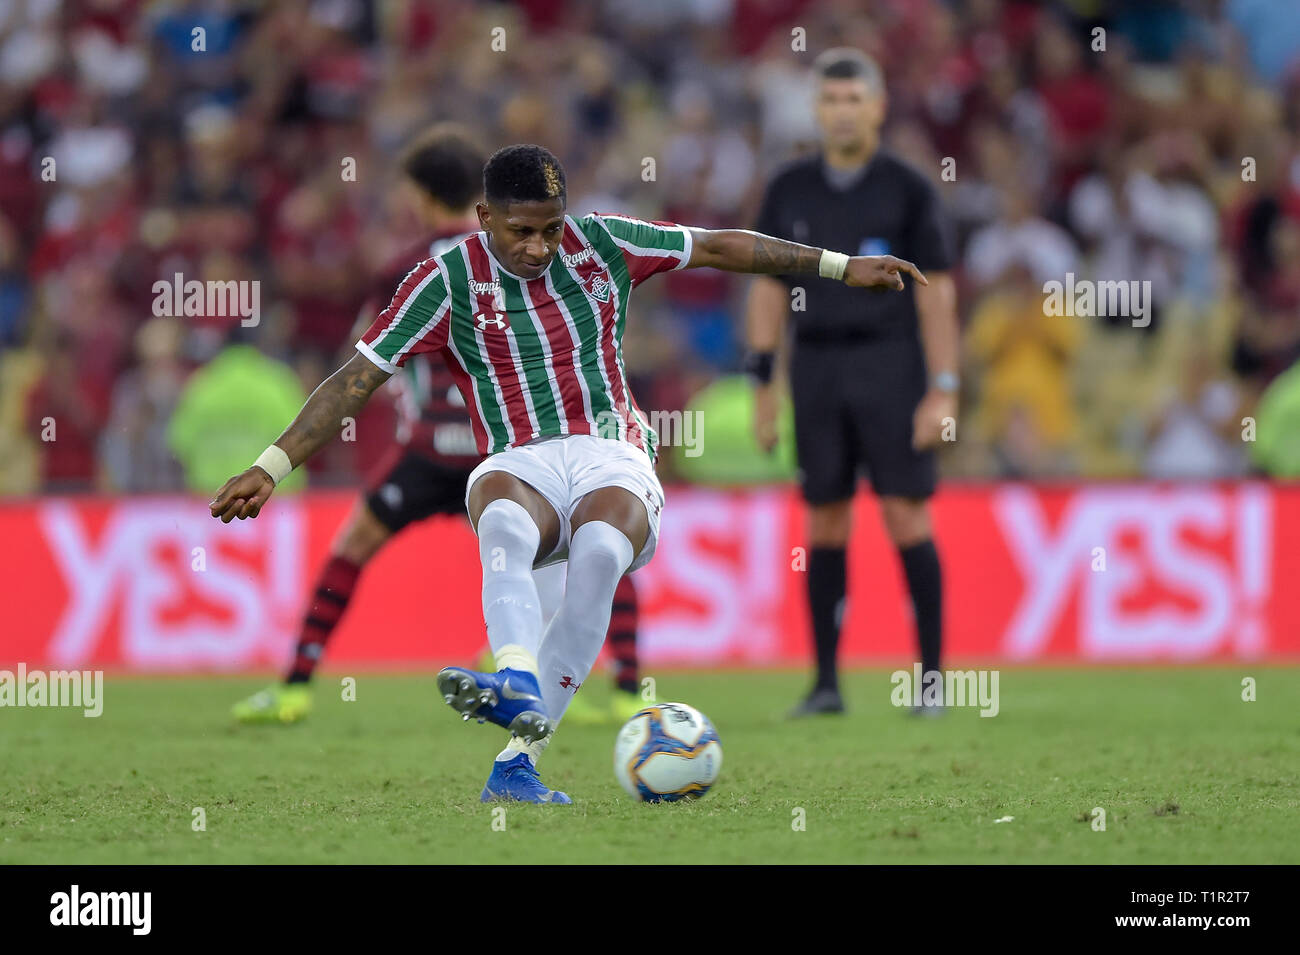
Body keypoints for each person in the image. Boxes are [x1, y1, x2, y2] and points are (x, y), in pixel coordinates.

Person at [209, 143, 925, 803]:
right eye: (521, 230)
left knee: (601, 552)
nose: (539, 245)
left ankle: (518, 760)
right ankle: (516, 673)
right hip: (517, 455)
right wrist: (271, 465)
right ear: (484, 217)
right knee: (501, 512)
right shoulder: (442, 279)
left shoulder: (602, 242)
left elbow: (715, 246)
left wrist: (837, 265)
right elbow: (356, 378)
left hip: (611, 447)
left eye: (550, 228)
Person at [231, 125, 646, 726]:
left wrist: (277, 460)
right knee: (598, 539)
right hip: (511, 445)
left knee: (353, 547)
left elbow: (367, 363)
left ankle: (295, 684)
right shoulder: (539, 260)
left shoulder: (412, 267)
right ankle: (627, 687)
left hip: (431, 447)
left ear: (422, 197)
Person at [745, 49, 959, 717]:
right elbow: (769, 289)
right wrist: (762, 385)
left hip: (891, 364)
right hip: (816, 367)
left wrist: (943, 386)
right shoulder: (788, 189)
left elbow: (938, 294)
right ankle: (826, 683)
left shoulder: (908, 188)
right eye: (832, 100)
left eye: (854, 99)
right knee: (826, 519)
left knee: (904, 513)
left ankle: (931, 681)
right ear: (817, 108)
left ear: (878, 106)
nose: (843, 111)